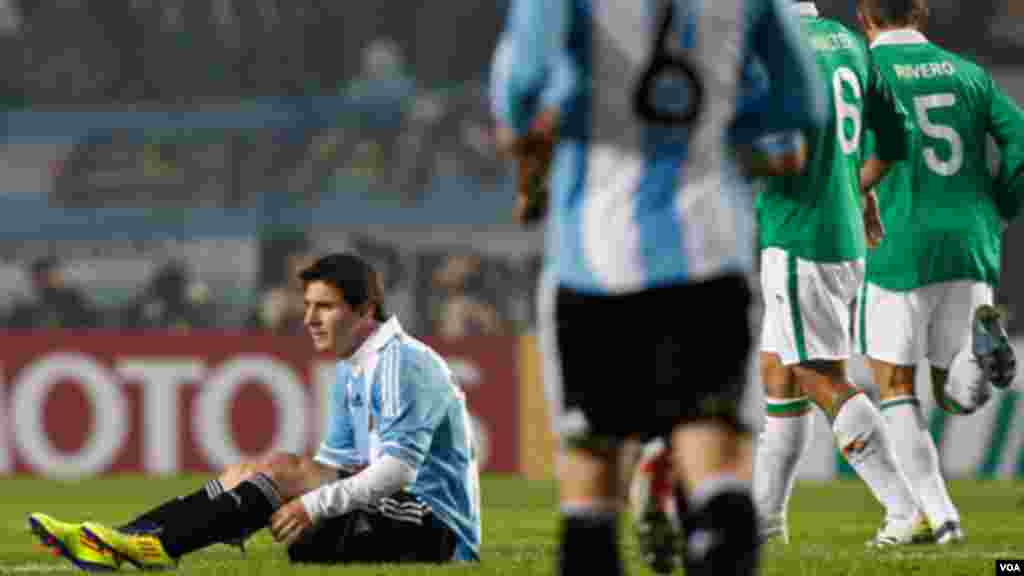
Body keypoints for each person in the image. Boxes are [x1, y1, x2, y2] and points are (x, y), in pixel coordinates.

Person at [491, 0, 827, 574]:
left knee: (593, 467)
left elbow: (520, 90)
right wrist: (717, 123)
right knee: (714, 452)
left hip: (594, 261)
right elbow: (804, 104)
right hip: (709, 253)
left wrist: (536, 127)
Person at [28, 253, 481, 569]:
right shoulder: (354, 367)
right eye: (307, 306)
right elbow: (337, 466)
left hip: (436, 528)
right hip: (385, 515)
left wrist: (310, 503)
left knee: (284, 473)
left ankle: (154, 547)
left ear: (364, 311)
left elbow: (398, 471)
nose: (309, 319)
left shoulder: (403, 361)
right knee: (259, 469)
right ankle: (120, 537)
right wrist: (254, 495)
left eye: (324, 307)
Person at [751, 0, 928, 549]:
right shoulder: (850, 42)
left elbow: (764, 144)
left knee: (818, 375)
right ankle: (765, 524)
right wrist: (859, 191)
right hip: (842, 233)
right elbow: (895, 138)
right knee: (779, 376)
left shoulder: (766, 47)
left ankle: (905, 512)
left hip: (798, 232)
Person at [853, 0, 1024, 545]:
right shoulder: (969, 72)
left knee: (895, 387)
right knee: (953, 393)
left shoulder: (864, 72)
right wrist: (1002, 205)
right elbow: (1021, 137)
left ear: (864, 17)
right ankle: (978, 358)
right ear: (921, 13)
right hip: (973, 238)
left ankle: (941, 515)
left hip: (899, 243)